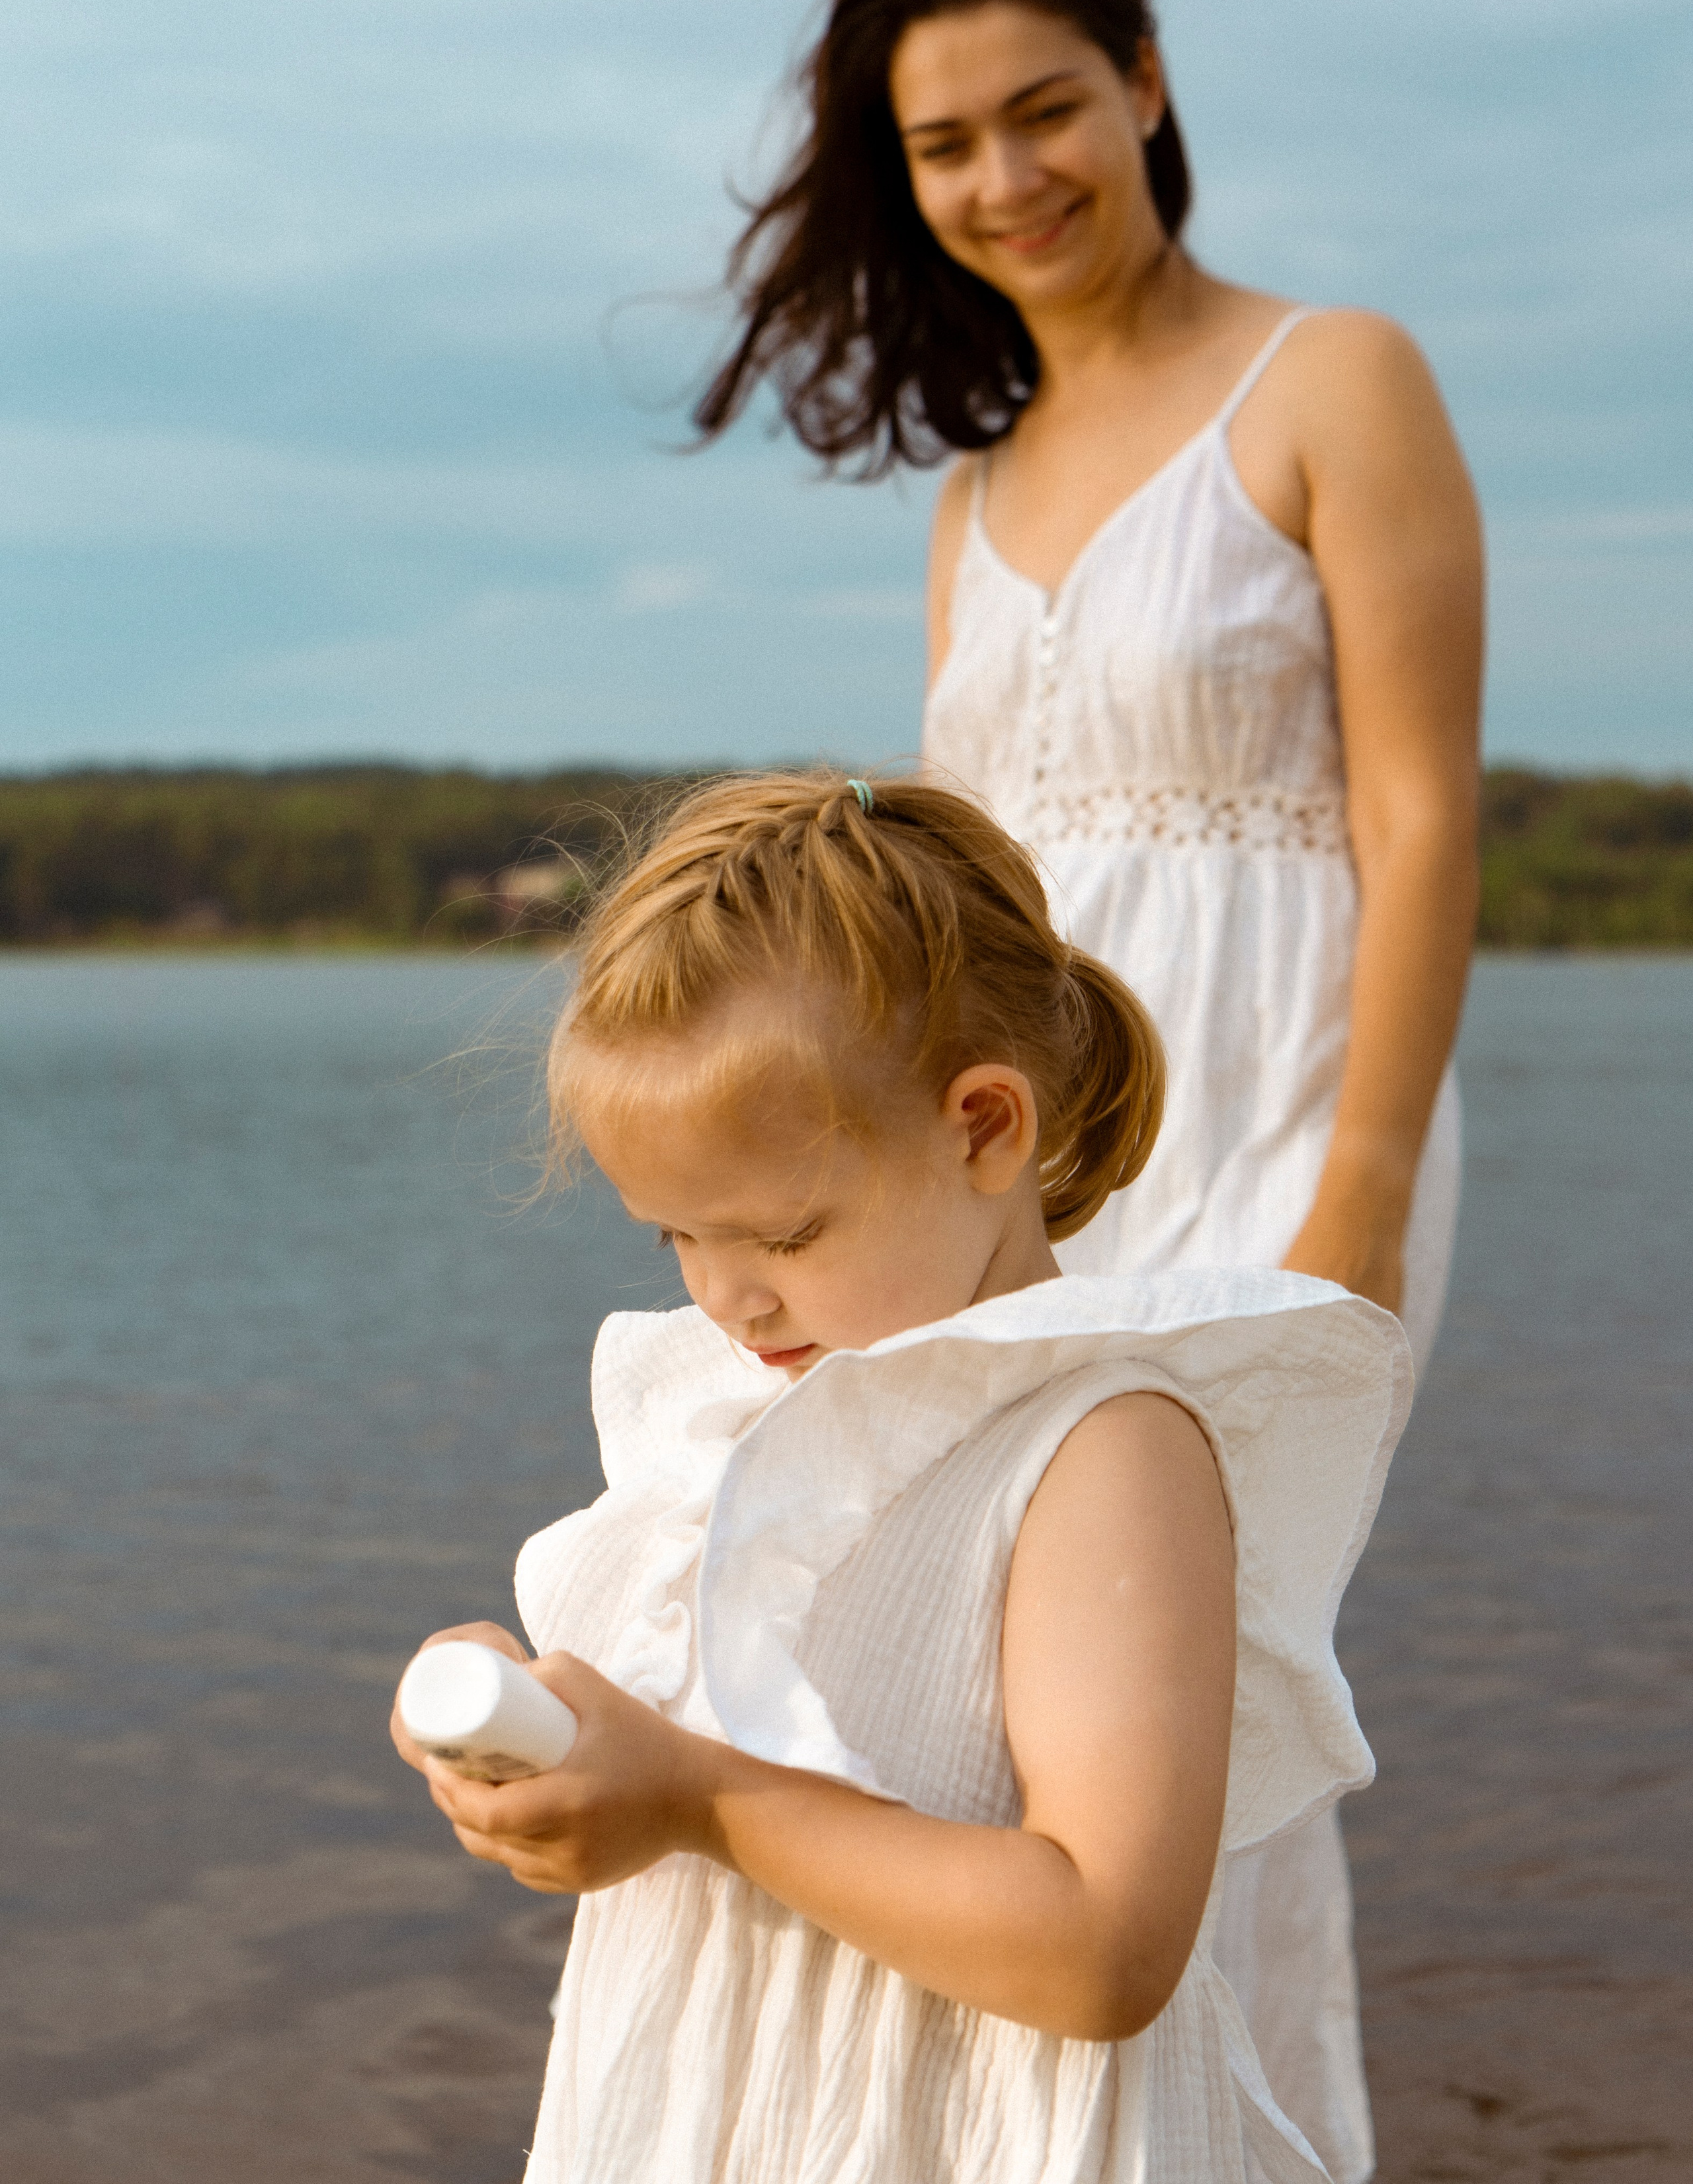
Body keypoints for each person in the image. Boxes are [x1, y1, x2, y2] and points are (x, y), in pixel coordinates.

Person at [693, 0, 1484, 2174]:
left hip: (1293, 1108)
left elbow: (1420, 821)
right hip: (1025, 1139)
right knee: (1018, 1677)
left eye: (1047, 109)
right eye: (947, 144)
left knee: (1219, 1682)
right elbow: (958, 913)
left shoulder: (1335, 379)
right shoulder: (976, 491)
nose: (1006, 176)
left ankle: (1268, 2142)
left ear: (1147, 82)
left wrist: (1359, 1193)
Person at [393, 772, 1412, 2183]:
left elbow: (1104, 1946)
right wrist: (523, 1716)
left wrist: (700, 1801)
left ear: (984, 1127)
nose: (728, 1301)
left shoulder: (1096, 1448)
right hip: (715, 2111)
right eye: (673, 1242)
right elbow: (676, 1716)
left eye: (782, 1232)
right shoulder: (750, 1397)